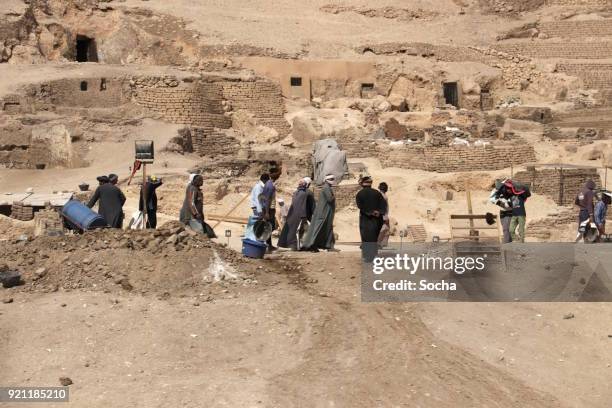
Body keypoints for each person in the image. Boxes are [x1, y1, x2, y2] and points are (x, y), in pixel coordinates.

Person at [278, 178, 316, 250]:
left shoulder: (295, 192)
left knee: (296, 231)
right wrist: (315, 214)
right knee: (302, 231)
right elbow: (312, 206)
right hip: (303, 215)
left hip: (294, 214)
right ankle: (300, 246)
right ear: (308, 184)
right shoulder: (308, 193)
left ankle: (298, 246)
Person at [301, 174, 336, 252]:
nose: (332, 180)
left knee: (325, 229)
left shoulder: (326, 188)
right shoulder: (326, 188)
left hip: (325, 212)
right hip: (324, 213)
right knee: (318, 229)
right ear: (326, 180)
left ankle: (328, 246)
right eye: (330, 179)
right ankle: (312, 245)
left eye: (333, 178)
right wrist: (334, 196)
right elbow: (330, 199)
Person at [356, 176, 387, 262]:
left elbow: (360, 206)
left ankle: (367, 257)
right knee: (373, 237)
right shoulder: (377, 193)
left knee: (366, 238)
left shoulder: (360, 194)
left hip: (365, 220)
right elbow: (383, 206)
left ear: (362, 184)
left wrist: (370, 212)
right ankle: (373, 255)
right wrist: (378, 212)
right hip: (376, 220)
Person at [262, 168, 280, 252]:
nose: (279, 175)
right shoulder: (270, 186)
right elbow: (268, 199)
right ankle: (267, 245)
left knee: (269, 227)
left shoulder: (269, 184)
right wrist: (267, 212)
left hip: (268, 209)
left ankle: (269, 245)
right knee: (270, 227)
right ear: (272, 174)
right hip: (269, 209)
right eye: (277, 173)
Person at [377, 182, 390, 248]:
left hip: (381, 216)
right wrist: (385, 217)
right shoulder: (383, 196)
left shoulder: (381, 195)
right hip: (382, 216)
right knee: (384, 230)